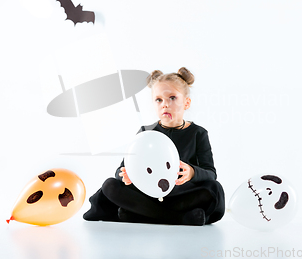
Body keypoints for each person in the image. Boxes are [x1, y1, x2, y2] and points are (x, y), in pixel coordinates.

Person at [83, 67, 225, 225]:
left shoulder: (198, 133)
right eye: (159, 100)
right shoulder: (145, 132)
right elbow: (121, 170)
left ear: (186, 102)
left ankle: (139, 215)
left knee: (214, 189)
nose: (165, 105)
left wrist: (192, 172)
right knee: (110, 185)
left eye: (172, 98)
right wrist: (126, 176)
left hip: (179, 194)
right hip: (146, 194)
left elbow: (210, 173)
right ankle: (178, 218)